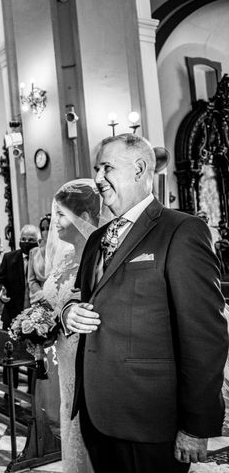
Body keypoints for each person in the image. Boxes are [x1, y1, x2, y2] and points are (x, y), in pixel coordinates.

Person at [63, 134, 228, 472]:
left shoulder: (181, 231)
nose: (97, 179)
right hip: (97, 413)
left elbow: (206, 335)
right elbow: (85, 298)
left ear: (139, 169)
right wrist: (70, 313)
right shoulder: (96, 239)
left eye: (106, 167)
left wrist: (197, 425)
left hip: (150, 419)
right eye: (96, 169)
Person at [41, 180, 109, 473]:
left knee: (89, 417)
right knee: (68, 412)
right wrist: (38, 323)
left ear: (84, 217)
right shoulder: (65, 256)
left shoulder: (101, 257)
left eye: (61, 214)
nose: (53, 221)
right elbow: (53, 301)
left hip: (89, 353)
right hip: (63, 354)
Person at [0, 224, 40, 331]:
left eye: (31, 240)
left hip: (37, 316)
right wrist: (1, 291)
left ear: (37, 241)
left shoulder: (43, 259)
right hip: (12, 314)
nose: (26, 242)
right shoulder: (9, 258)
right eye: (23, 239)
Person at [28, 215, 51, 303]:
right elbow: (31, 279)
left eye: (48, 228)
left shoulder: (64, 251)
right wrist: (41, 294)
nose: (45, 232)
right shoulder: (34, 252)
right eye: (42, 229)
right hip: (40, 298)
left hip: (58, 296)